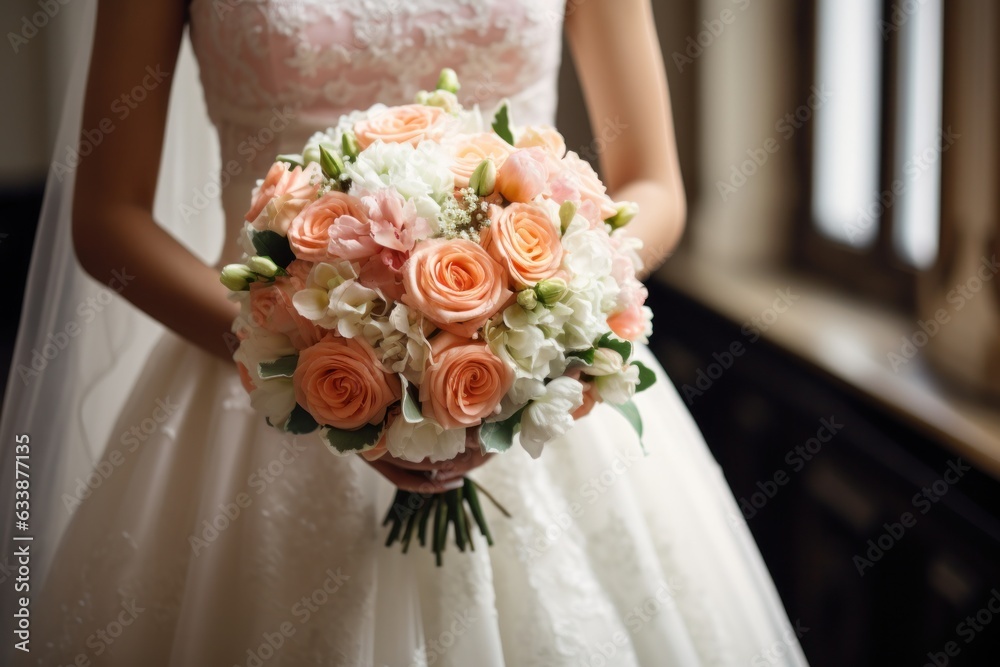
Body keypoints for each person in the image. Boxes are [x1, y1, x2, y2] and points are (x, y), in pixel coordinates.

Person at [5, 0, 808, 664]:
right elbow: (108, 221)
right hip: (256, 394)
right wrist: (299, 357)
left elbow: (653, 185)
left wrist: (552, 309)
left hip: (533, 376)